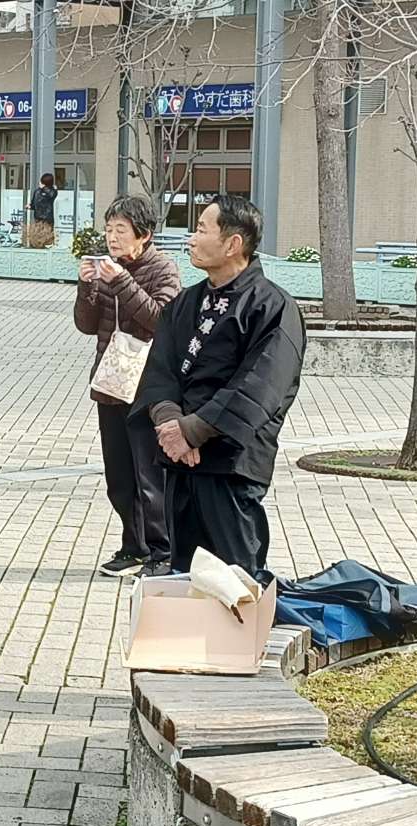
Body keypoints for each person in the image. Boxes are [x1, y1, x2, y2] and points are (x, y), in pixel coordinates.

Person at [131, 195, 306, 575]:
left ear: (232, 244)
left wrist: (194, 430)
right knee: (185, 575)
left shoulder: (272, 307)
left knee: (236, 579)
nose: (191, 239)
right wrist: (170, 422)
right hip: (180, 459)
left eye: (201, 229)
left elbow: (261, 387)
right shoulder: (185, 303)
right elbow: (160, 371)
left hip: (230, 463)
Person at [75, 195, 181, 579]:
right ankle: (133, 546)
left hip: (148, 388)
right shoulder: (107, 268)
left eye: (121, 230)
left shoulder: (163, 269)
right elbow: (86, 325)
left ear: (144, 234)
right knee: (119, 476)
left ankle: (163, 552)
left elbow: (160, 320)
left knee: (150, 475)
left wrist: (121, 281)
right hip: (112, 383)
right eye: (109, 229)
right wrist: (87, 287)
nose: (112, 238)